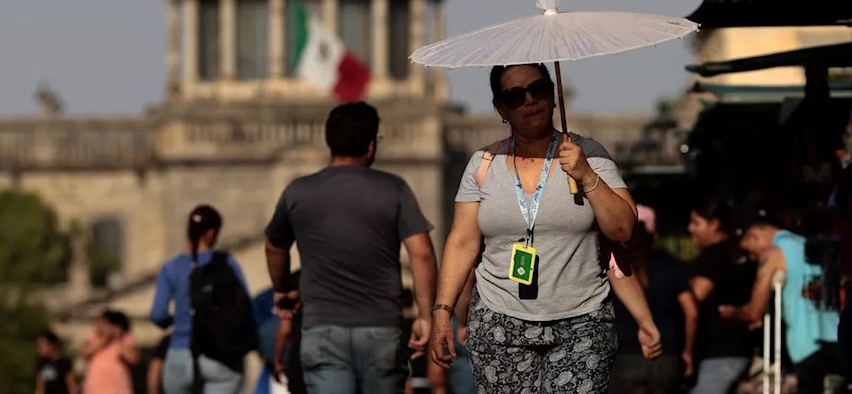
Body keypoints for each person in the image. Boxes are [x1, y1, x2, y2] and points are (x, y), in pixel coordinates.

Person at [428, 63, 640, 393]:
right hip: (500, 321)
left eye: (538, 89)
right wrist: (442, 312)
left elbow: (623, 229)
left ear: (553, 97)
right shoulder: (483, 164)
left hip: (582, 322)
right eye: (515, 95)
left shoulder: (590, 155)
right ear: (501, 109)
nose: (529, 100)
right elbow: (462, 243)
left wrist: (586, 175)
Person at [264, 101, 438, 394]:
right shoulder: (394, 189)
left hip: (322, 328)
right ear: (371, 145)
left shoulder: (298, 191)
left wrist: (282, 288)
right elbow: (421, 254)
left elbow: (274, 247)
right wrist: (425, 314)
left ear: (329, 142)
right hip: (380, 327)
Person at [720, 214, 842, 394]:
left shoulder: (774, 253)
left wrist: (731, 313)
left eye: (749, 252)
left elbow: (754, 311)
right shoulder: (811, 244)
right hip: (837, 337)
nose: (751, 258)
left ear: (754, 236)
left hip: (806, 346)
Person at [150, 204, 255, 394]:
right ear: (212, 232)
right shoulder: (226, 262)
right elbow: (245, 303)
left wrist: (178, 320)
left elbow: (158, 315)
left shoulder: (171, 267)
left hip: (180, 354)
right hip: (220, 354)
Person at [609, 220, 698, 394]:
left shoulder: (617, 268)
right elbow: (692, 312)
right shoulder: (670, 265)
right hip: (666, 355)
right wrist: (687, 350)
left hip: (626, 354)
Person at [686, 197, 756, 393]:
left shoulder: (713, 255)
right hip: (737, 348)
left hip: (718, 352)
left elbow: (696, 294)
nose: (691, 229)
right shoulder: (739, 252)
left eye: (696, 223)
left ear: (715, 224)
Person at [81, 309, 139, 394]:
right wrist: (104, 339)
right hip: (95, 389)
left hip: (118, 389)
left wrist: (117, 339)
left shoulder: (126, 339)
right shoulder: (93, 337)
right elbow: (84, 353)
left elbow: (133, 359)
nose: (99, 325)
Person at [36, 330, 77, 394]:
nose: (40, 348)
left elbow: (71, 386)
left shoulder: (64, 363)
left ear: (52, 345)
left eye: (43, 344)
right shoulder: (42, 364)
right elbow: (40, 387)